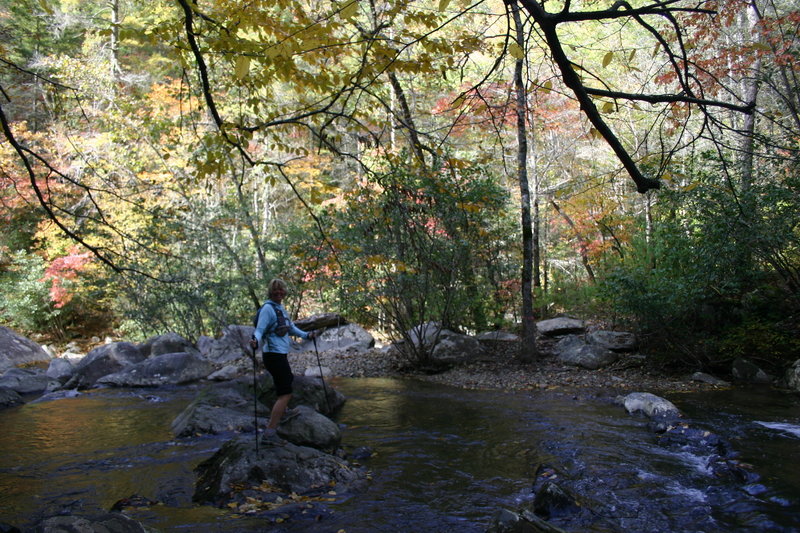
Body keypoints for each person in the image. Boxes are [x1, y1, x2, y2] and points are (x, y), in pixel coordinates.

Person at [249, 278, 315, 437]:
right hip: (273, 355)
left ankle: (283, 411)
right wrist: (255, 340)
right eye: (275, 290)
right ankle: (270, 432)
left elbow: (290, 328)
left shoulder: (280, 308)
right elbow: (259, 330)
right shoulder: (267, 309)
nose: (279, 292)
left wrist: (307, 335)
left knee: (287, 381)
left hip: (279, 354)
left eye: (281, 290)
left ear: (284, 291)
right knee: (286, 392)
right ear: (270, 292)